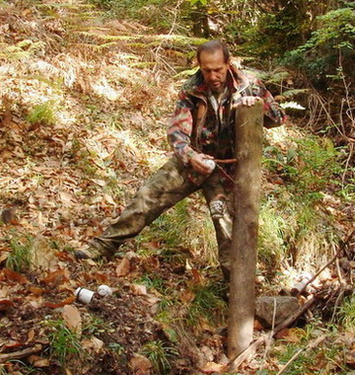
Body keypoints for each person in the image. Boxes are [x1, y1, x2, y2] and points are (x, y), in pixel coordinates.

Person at [75, 39, 286, 279]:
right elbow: (177, 132)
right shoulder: (192, 88)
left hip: (226, 171)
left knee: (229, 232)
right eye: (207, 70)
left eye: (217, 69)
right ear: (199, 66)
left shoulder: (250, 85)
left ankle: (233, 291)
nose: (213, 75)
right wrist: (189, 155)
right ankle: (102, 247)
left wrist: (257, 106)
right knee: (146, 199)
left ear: (228, 63)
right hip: (193, 160)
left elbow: (278, 118)